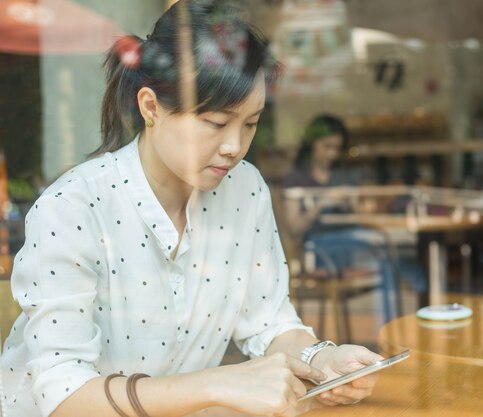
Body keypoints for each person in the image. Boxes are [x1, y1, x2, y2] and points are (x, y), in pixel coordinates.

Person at [0, 2, 383, 417]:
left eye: (250, 123)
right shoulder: (73, 207)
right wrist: (218, 384)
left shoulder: (246, 190)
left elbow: (269, 323)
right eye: (217, 123)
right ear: (150, 107)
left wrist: (322, 360)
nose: (234, 146)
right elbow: (64, 397)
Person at [282, 115, 425, 323]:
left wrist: (351, 203)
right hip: (319, 251)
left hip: (351, 245)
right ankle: (413, 296)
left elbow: (359, 216)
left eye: (336, 148)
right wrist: (322, 202)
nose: (332, 153)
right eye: (327, 146)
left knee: (393, 245)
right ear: (312, 144)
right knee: (385, 247)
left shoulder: (342, 176)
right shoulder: (297, 178)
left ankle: (395, 322)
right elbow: (294, 228)